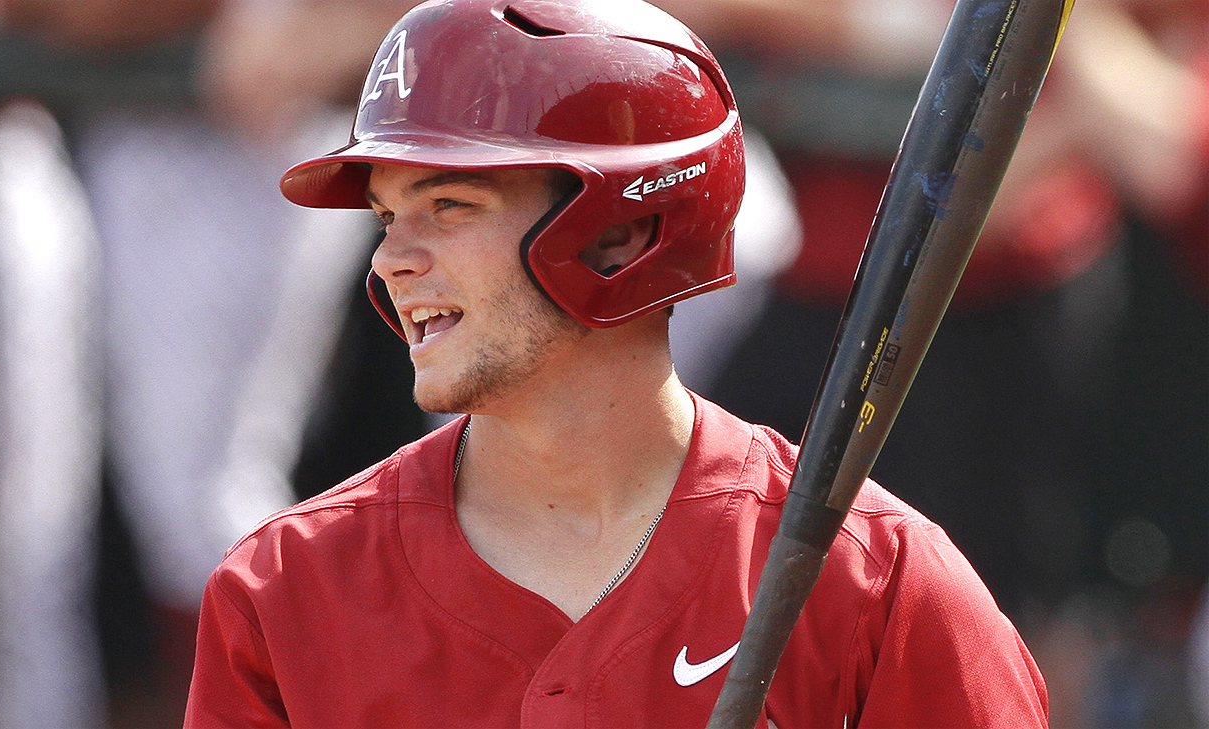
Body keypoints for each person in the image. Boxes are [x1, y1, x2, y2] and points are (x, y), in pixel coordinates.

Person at [184, 0, 1049, 726]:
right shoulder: (287, 593)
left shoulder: (876, 586)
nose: (391, 260)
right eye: (385, 217)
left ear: (620, 232)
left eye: (449, 203)